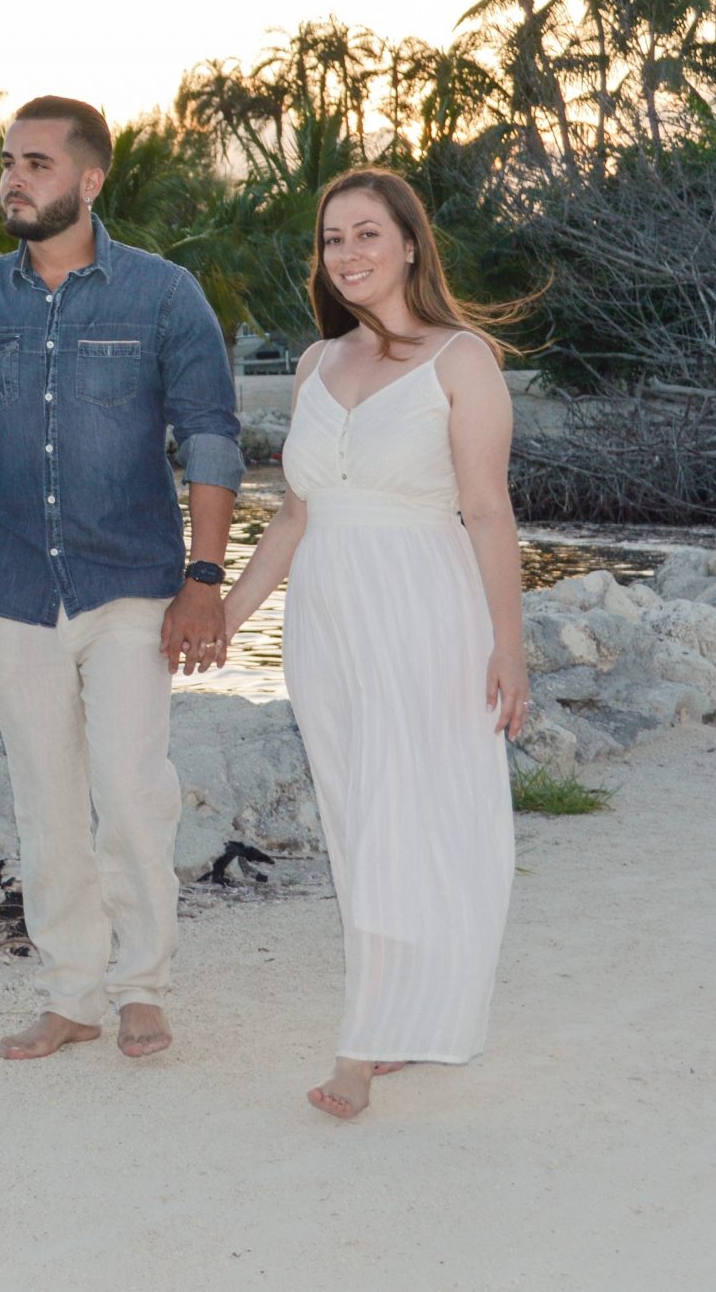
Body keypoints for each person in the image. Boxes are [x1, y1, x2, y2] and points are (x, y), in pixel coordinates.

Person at [0, 95, 244, 1063]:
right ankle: (72, 992)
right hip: (15, 592)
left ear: (89, 180)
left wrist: (205, 579)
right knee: (44, 796)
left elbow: (210, 437)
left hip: (132, 585)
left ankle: (142, 984)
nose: (12, 179)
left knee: (129, 788)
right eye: (7, 161)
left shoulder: (164, 297)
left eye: (35, 163)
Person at [221, 167, 528, 1120]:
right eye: (331, 239)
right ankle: (400, 1009)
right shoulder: (316, 364)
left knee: (416, 813)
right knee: (359, 816)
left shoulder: (460, 360)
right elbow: (293, 515)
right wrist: (223, 618)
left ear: (407, 244)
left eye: (365, 235)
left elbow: (487, 511)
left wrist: (509, 649)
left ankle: (363, 1043)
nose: (346, 254)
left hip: (426, 608)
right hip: (328, 617)